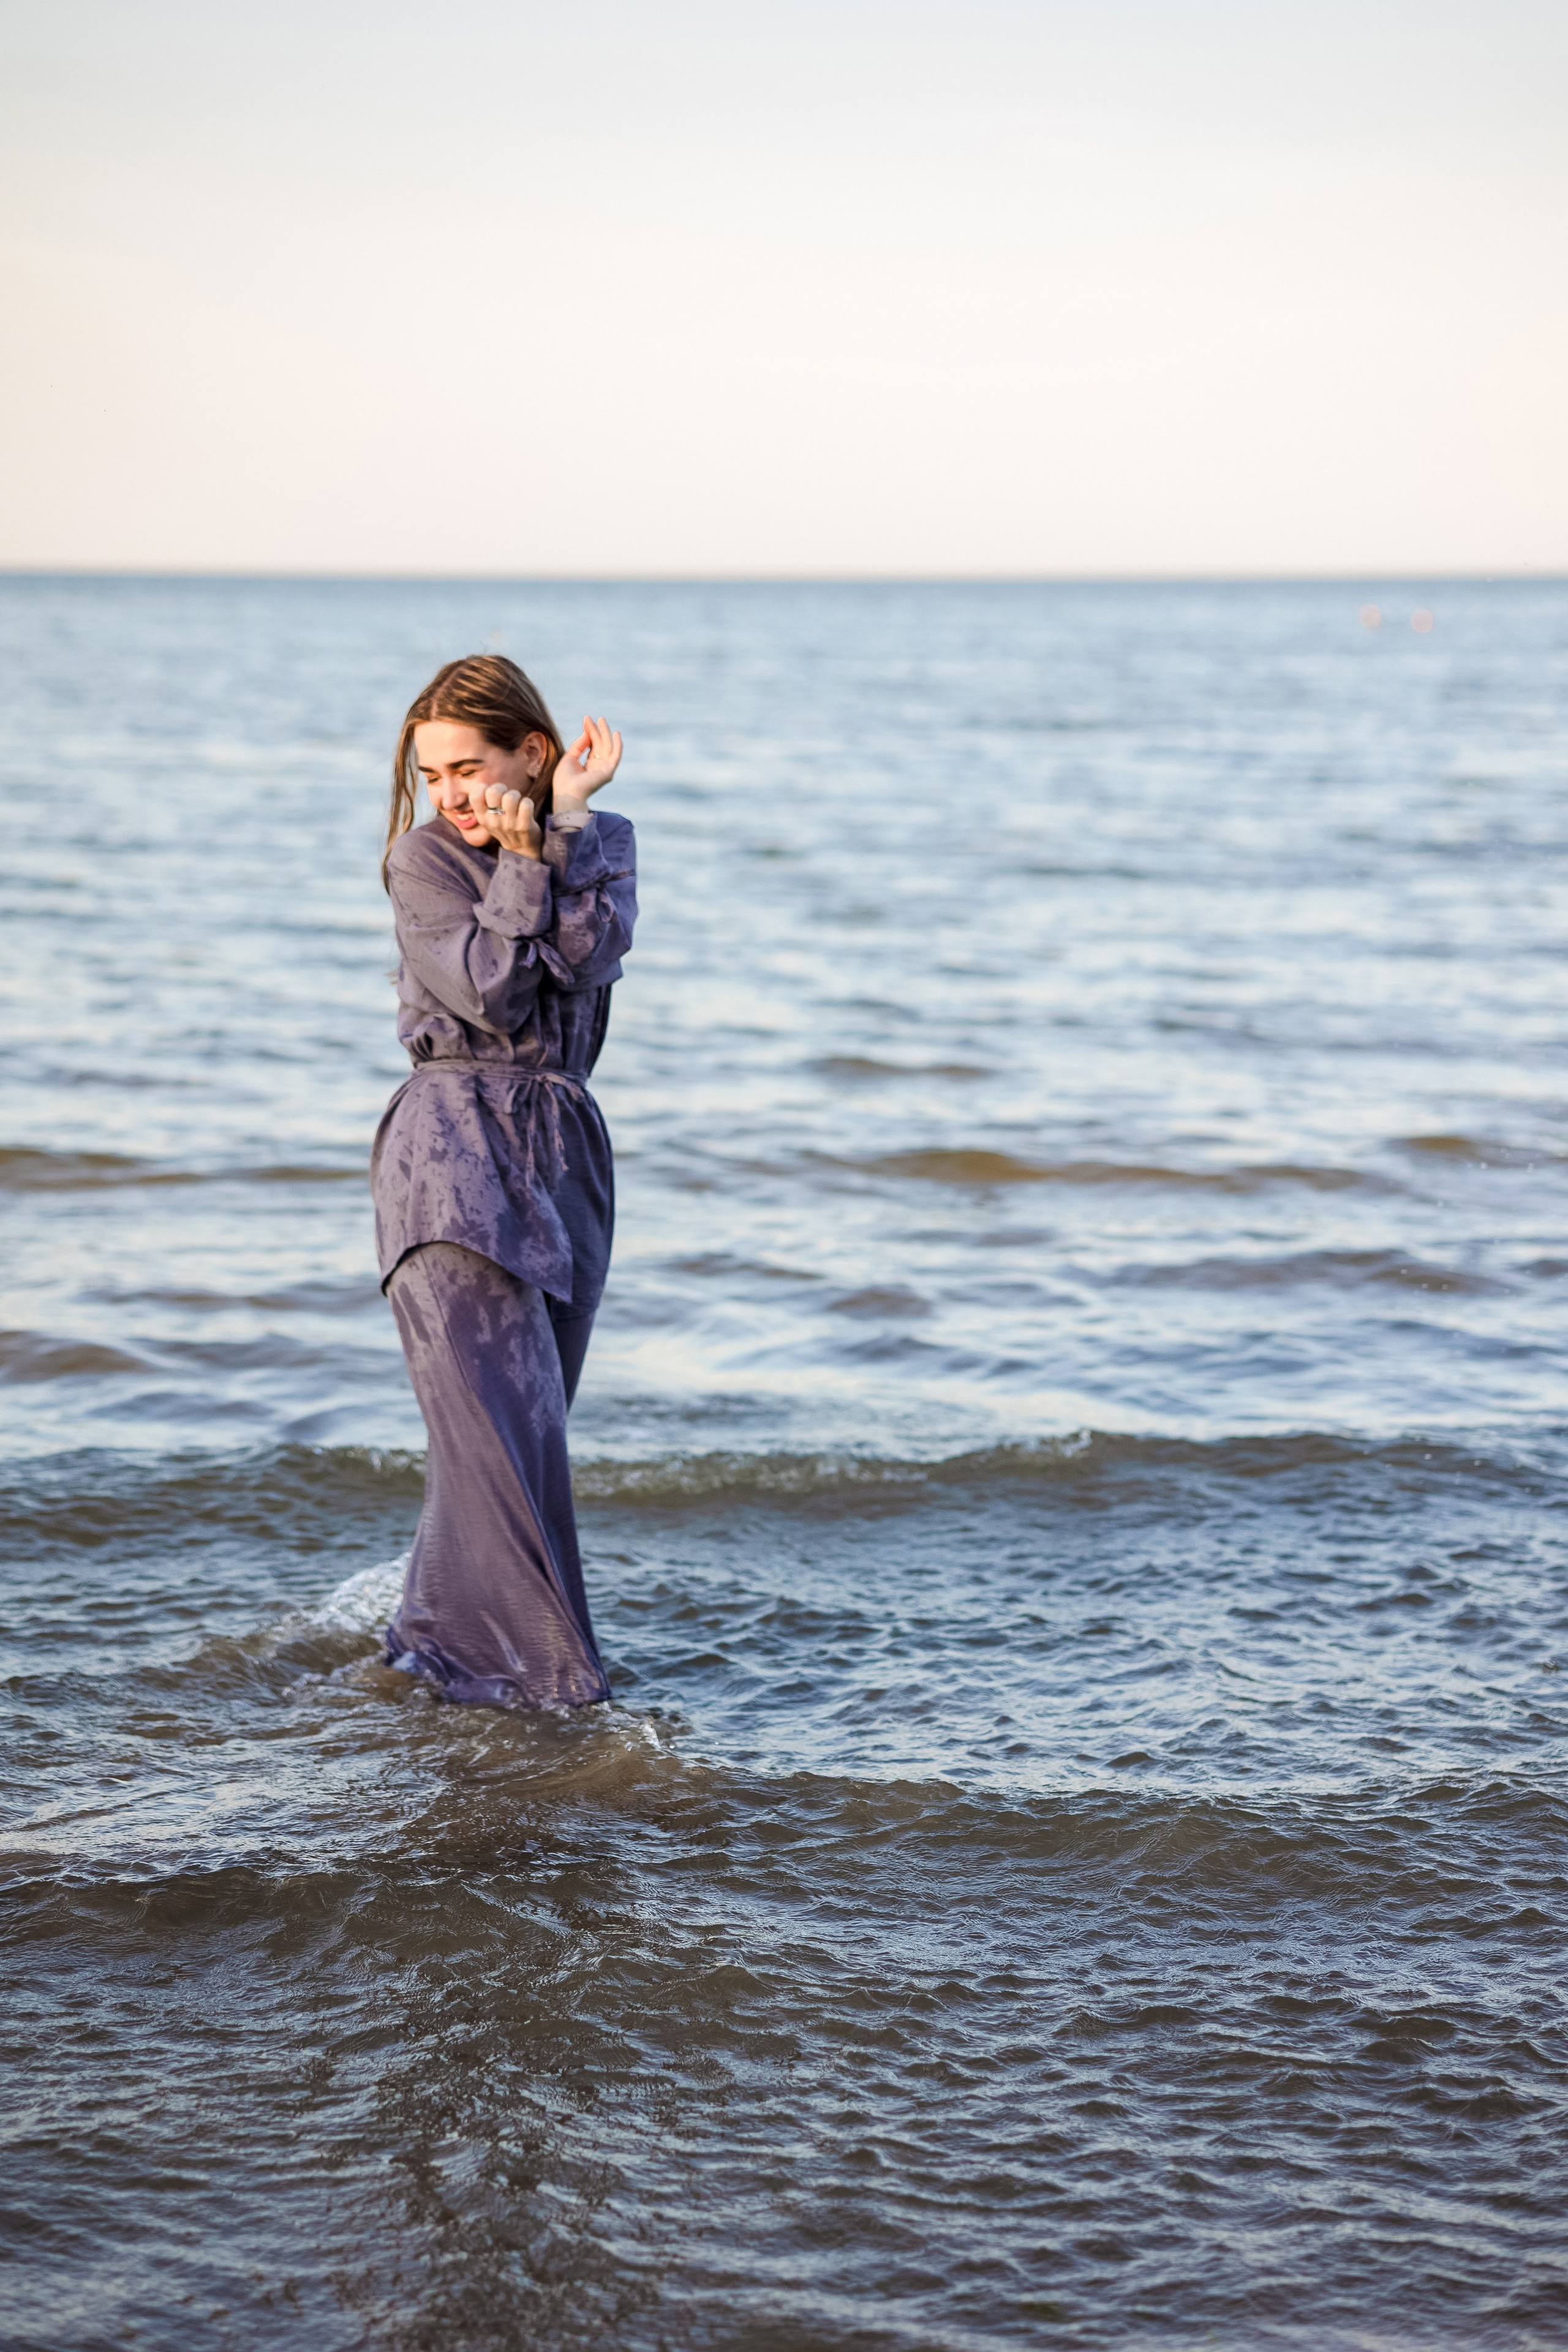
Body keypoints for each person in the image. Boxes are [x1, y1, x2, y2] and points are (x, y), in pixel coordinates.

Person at [371, 654, 636, 1708]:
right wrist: (525, 862)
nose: (450, 794)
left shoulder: (602, 844)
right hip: (451, 1162)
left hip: (564, 1159)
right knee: (503, 1450)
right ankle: (559, 1700)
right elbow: (491, 993)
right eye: (433, 774)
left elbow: (585, 958)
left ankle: (428, 1657)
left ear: (533, 754)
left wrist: (562, 831)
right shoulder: (422, 863)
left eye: (470, 767)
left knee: (521, 1450)